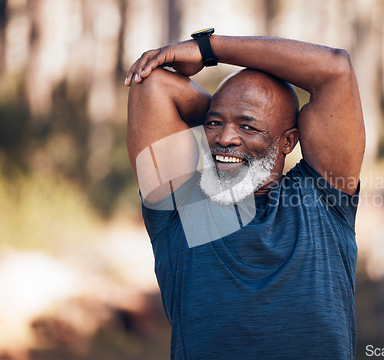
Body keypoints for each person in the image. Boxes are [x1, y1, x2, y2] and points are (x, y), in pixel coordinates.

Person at [125, 31, 365, 359]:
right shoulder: (184, 206)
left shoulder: (323, 199)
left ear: (288, 141)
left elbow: (335, 69)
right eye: (213, 123)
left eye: (248, 126)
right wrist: (228, 116)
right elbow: (151, 83)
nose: (226, 137)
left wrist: (207, 48)